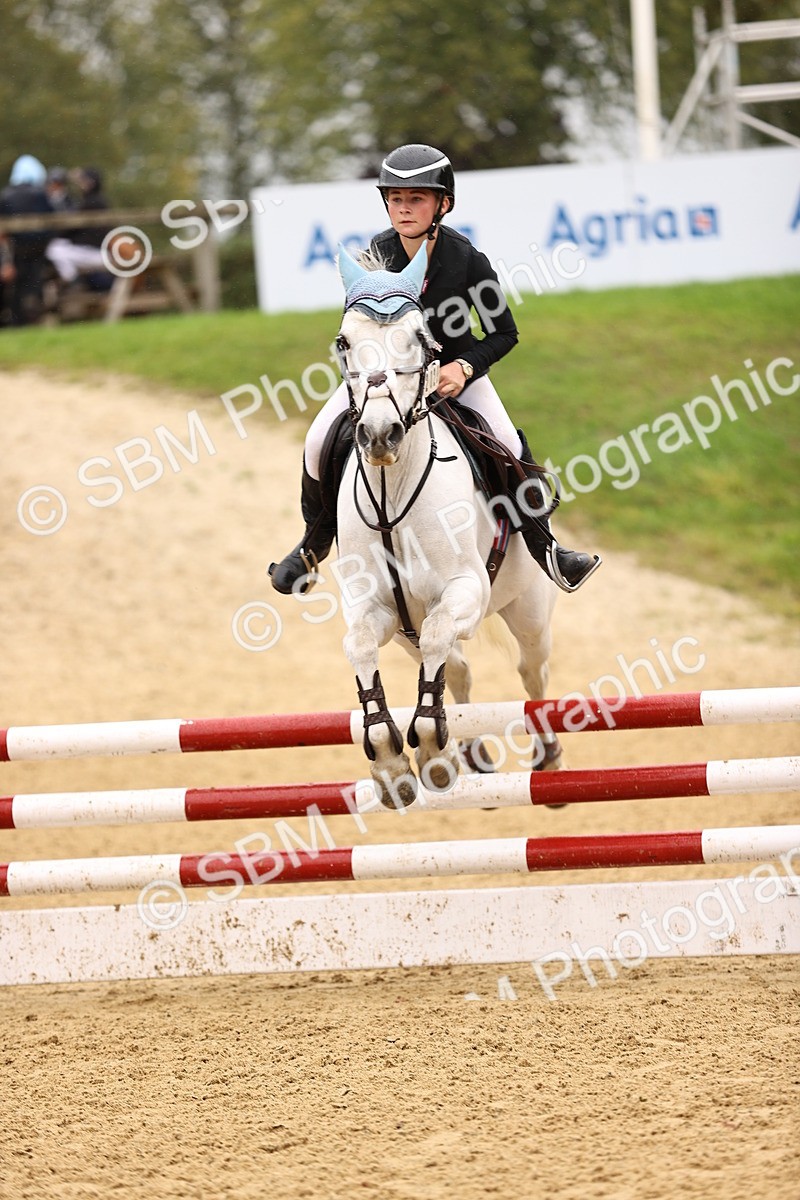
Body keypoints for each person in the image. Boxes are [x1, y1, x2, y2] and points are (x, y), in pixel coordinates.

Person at [270, 143, 601, 595]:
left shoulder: (467, 260)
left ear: (443, 203)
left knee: (505, 442)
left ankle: (547, 550)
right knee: (315, 441)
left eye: (416, 199)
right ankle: (312, 546)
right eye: (395, 200)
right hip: (389, 379)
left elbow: (505, 332)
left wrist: (463, 367)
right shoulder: (380, 252)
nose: (404, 209)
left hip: (453, 377)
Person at [0, 155, 53, 326]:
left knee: (17, 286)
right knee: (34, 283)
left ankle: (17, 320)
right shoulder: (39, 193)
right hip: (38, 247)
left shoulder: (6, 194)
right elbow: (52, 218)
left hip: (16, 248)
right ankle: (34, 316)